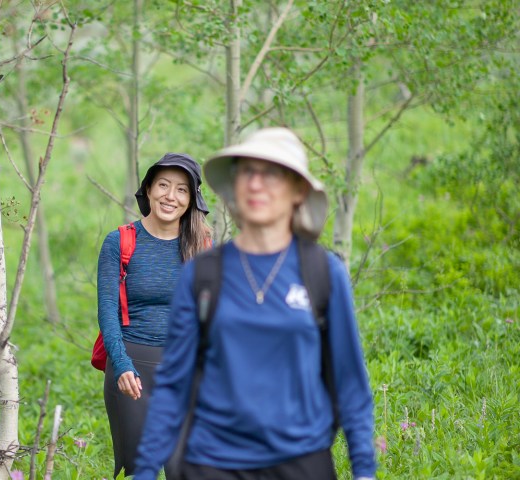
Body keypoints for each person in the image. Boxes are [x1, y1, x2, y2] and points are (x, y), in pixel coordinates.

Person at [134, 128, 377, 480]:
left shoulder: (323, 272)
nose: (256, 184)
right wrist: (144, 471)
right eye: (247, 171)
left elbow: (350, 381)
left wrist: (364, 470)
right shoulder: (203, 274)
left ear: (298, 191)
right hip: (212, 462)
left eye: (272, 174)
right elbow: (173, 384)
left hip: (301, 460)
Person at [97, 153, 211, 478]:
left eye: (181, 190)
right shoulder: (119, 242)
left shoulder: (202, 246)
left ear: (191, 200)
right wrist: (120, 365)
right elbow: (107, 312)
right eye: (163, 185)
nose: (170, 196)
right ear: (148, 189)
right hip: (131, 372)